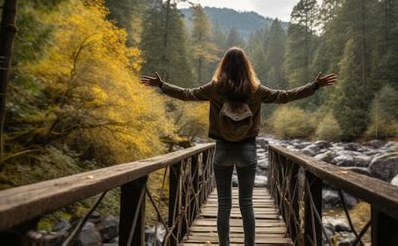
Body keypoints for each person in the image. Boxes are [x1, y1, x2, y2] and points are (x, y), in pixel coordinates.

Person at [141, 47, 336, 246]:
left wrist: (162, 86)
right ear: (246, 67)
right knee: (247, 204)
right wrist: (314, 86)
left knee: (224, 205)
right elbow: (284, 96)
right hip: (247, 151)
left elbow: (187, 94)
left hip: (222, 151)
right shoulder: (256, 90)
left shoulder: (215, 87)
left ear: (223, 65)